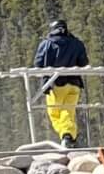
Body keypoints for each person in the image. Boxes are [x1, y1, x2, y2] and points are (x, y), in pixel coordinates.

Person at [33, 17, 89, 147]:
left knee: (55, 113)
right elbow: (83, 63)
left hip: (54, 84)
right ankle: (70, 137)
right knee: (68, 111)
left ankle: (66, 136)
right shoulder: (77, 43)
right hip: (74, 84)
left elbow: (38, 63)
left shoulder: (46, 43)